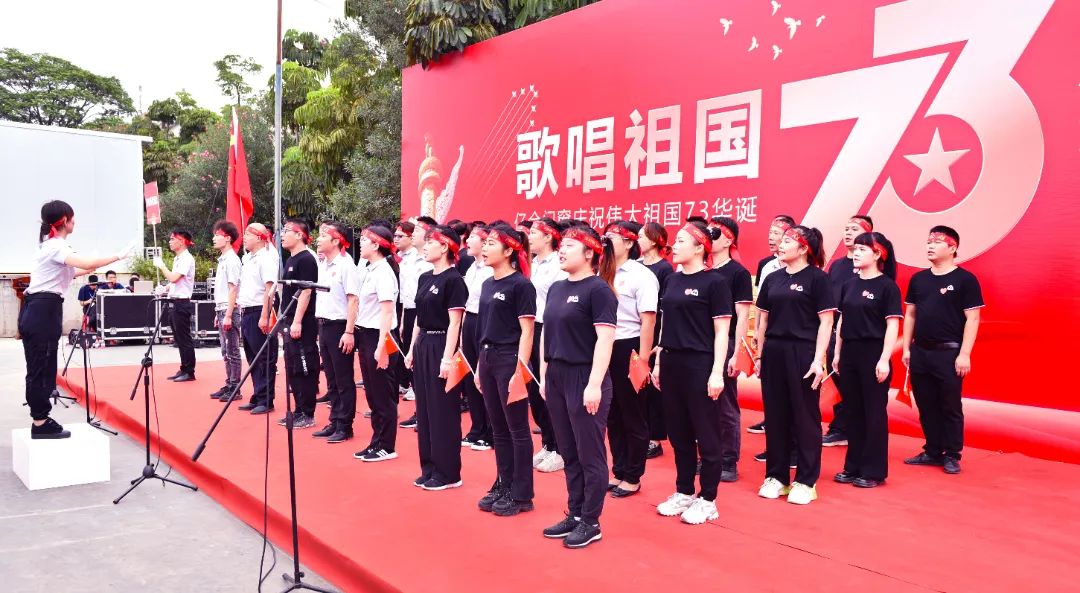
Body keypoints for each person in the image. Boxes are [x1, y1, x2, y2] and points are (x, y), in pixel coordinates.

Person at [20, 200, 133, 438]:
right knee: (41, 366)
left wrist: (95, 266)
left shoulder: (50, 246)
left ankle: (41, 418)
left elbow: (76, 271)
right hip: (43, 309)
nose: (75, 222)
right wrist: (117, 256)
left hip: (41, 308)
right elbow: (87, 263)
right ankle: (40, 422)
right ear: (64, 220)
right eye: (72, 218)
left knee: (42, 366)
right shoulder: (56, 246)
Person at [539, 226, 618, 548]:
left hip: (585, 376)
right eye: (561, 245)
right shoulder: (557, 287)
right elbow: (547, 332)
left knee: (590, 453)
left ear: (589, 253)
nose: (561, 250)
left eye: (569, 245)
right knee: (568, 451)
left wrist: (594, 383)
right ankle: (574, 512)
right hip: (557, 375)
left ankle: (590, 520)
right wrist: (545, 373)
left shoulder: (598, 290)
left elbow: (605, 339)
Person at [651, 221, 733, 525]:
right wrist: (659, 362)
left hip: (700, 364)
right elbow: (665, 324)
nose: (674, 246)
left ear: (700, 248)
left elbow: (722, 331)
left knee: (706, 433)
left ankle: (708, 499)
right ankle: (684, 491)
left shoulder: (715, 283)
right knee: (679, 433)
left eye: (682, 241)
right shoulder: (672, 281)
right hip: (671, 362)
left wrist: (717, 372)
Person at [755, 225, 835, 505]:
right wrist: (759, 355)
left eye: (788, 240)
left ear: (803, 249)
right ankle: (776, 477)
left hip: (803, 352)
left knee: (805, 417)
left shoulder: (818, 279)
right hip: (774, 351)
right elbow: (763, 320)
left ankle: (805, 481)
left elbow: (826, 321)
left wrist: (818, 359)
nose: (781, 243)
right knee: (775, 416)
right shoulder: (772, 278)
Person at [902, 226, 983, 475]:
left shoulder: (965, 280)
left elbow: (973, 318)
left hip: (948, 352)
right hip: (920, 351)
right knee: (925, 403)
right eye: (928, 242)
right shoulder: (919, 279)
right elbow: (911, 315)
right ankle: (933, 450)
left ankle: (952, 454)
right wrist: (906, 348)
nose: (930, 246)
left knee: (949, 404)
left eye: (936, 242)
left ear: (952, 248)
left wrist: (965, 353)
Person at [475, 223, 537, 517]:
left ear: (509, 250)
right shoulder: (488, 284)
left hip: (510, 359)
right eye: (484, 243)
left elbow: (527, 331)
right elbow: (484, 329)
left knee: (517, 429)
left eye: (490, 243)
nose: (484, 248)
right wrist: (479, 366)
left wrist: (519, 371)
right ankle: (504, 482)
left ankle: (522, 494)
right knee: (497, 428)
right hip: (488, 358)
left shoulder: (521, 285)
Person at [833, 232, 901, 488]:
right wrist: (837, 353)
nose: (856, 252)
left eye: (863, 249)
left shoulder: (887, 287)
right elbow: (842, 320)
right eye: (856, 248)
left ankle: (873, 471)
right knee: (853, 411)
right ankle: (852, 467)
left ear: (877, 254)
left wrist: (884, 359)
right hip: (849, 352)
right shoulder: (850, 284)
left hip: (873, 353)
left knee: (873, 412)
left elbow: (892, 325)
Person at [405, 225, 468, 490]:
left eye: (431, 241)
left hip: (442, 343)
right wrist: (411, 349)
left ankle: (448, 473)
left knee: (443, 410)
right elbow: (418, 318)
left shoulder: (454, 280)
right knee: (425, 410)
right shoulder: (424, 277)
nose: (426, 245)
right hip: (423, 343)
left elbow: (455, 323)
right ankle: (429, 467)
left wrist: (447, 358)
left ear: (444, 247)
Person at [601, 221, 658, 498]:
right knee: (612, 413)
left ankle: (633, 475)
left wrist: (643, 360)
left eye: (612, 237)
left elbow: (648, 321)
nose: (606, 241)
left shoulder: (641, 275)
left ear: (628, 243)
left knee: (632, 412)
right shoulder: (601, 271)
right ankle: (619, 469)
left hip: (630, 347)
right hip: (604, 346)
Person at [350, 225, 402, 460]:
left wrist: (382, 345)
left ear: (376, 244)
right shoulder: (370, 269)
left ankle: (386, 446)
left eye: (364, 240)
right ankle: (376, 441)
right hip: (366, 335)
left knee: (383, 394)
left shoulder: (383, 273)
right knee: (372, 393)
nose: (360, 244)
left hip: (380, 336)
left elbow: (387, 311)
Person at [823, 215, 875, 448]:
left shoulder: (872, 268)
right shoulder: (837, 265)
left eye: (854, 229)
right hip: (834, 331)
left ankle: (854, 428)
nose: (848, 233)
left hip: (859, 335)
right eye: (846, 229)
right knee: (837, 380)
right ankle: (840, 428)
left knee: (855, 385)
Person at [710, 217, 754, 483]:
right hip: (702, 344)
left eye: (714, 233)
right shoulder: (703, 270)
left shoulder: (738, 273)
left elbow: (743, 316)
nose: (708, 236)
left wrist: (736, 353)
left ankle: (728, 459)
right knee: (704, 403)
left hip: (725, 343)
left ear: (728, 240)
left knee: (725, 403)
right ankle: (710, 455)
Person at [748, 214, 796, 446]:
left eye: (778, 234)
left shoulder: (807, 271)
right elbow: (761, 305)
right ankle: (772, 426)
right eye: (770, 233)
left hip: (793, 339)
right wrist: (757, 333)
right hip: (769, 334)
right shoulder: (766, 266)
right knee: (770, 386)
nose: (772, 238)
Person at [312, 222, 359, 443]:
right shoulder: (324, 264)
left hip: (339, 326)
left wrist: (349, 331)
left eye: (323, 236)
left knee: (343, 378)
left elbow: (353, 299)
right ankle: (334, 420)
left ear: (336, 241)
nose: (318, 239)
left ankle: (345, 424)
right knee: (331, 378)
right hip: (324, 325)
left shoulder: (346, 265)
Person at [527, 217, 568, 473]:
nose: (529, 236)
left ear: (549, 237)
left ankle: (561, 449)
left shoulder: (558, 265)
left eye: (534, 232)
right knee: (535, 389)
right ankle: (548, 443)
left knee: (550, 390)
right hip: (533, 327)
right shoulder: (535, 263)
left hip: (550, 328)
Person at [278, 218, 320, 429]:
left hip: (302, 322)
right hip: (289, 320)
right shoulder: (290, 260)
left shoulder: (306, 260)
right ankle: (298, 410)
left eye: (286, 231)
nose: (282, 235)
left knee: (305, 367)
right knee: (292, 367)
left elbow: (306, 292)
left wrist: (297, 321)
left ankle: (308, 413)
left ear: (299, 235)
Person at [638, 221, 673, 459]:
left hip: (655, 330)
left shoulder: (664, 269)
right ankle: (640, 432)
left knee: (652, 387)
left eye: (642, 236)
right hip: (635, 330)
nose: (638, 240)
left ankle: (655, 438)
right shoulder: (635, 266)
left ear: (653, 241)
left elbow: (664, 309)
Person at [237, 223, 280, 415]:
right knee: (252, 357)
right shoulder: (248, 258)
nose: (244, 237)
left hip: (259, 310)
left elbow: (269, 289)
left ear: (259, 237)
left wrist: (265, 315)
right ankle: (257, 394)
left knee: (264, 358)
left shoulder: (266, 258)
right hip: (247, 310)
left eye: (248, 234)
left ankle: (266, 399)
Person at [461, 224, 494, 451]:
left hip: (486, 321)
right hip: (470, 321)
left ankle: (490, 432)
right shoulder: (472, 268)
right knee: (470, 376)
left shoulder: (491, 270)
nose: (467, 241)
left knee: (485, 377)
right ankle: (477, 428)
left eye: (472, 237)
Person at [154, 229, 197, 382]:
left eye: (173, 239)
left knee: (184, 339)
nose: (170, 241)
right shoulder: (178, 258)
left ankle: (189, 371)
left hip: (182, 303)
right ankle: (184, 368)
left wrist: (162, 266)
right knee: (178, 339)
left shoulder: (186, 258)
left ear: (182, 241)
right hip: (174, 302)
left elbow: (174, 278)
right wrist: (164, 289)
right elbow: (175, 283)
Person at [209, 220, 243, 402]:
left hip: (229, 310)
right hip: (221, 309)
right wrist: (219, 312)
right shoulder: (223, 259)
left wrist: (229, 314)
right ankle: (229, 383)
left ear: (228, 238)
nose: (214, 239)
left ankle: (235, 387)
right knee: (225, 350)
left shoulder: (232, 260)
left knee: (232, 350)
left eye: (217, 235)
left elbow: (233, 289)